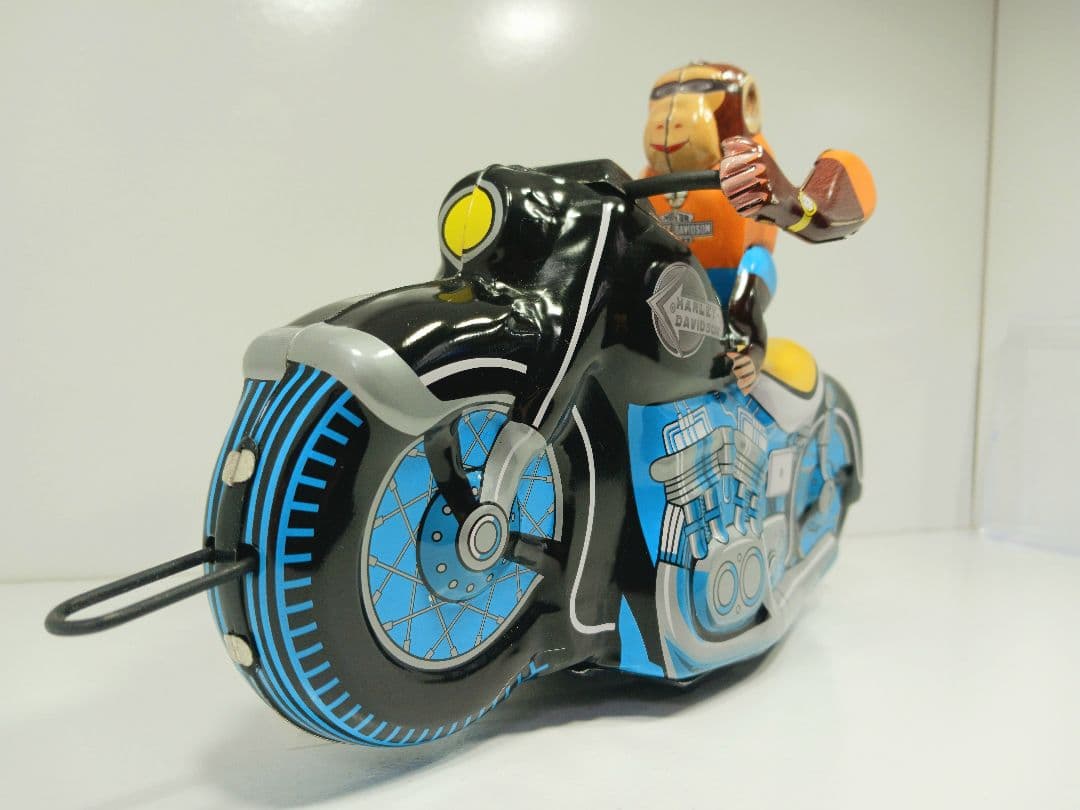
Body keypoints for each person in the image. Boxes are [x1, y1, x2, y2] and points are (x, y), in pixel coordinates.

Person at [642, 62, 875, 395]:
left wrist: (786, 201)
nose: (669, 118)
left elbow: (815, 214)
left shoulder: (750, 163)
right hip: (672, 283)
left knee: (749, 281)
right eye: (664, 95)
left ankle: (747, 352)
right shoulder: (649, 178)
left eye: (704, 90)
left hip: (736, 272)